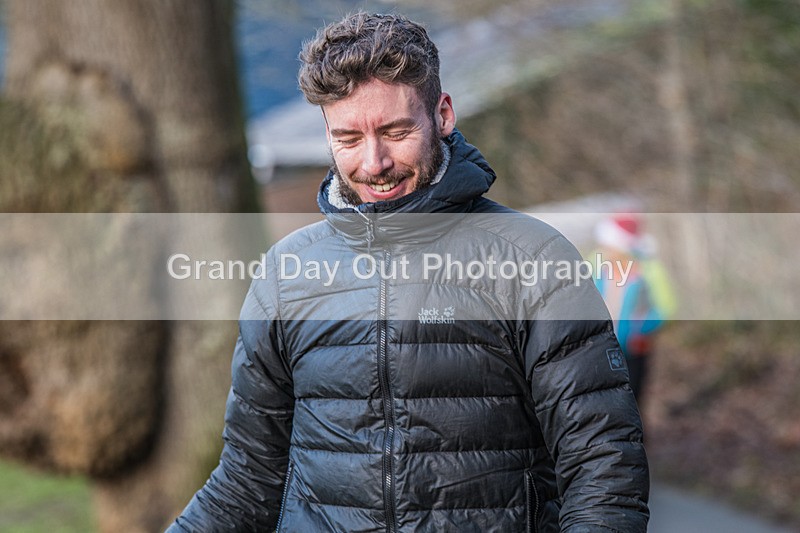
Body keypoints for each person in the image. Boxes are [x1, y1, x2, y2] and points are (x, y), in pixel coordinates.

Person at [168, 12, 649, 532]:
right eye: (348, 138)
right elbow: (247, 480)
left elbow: (603, 471)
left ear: (442, 114)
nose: (373, 163)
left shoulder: (535, 262)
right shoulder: (286, 276)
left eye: (395, 131)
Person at [591, 213, 677, 402]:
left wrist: (638, 331)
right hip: (601, 347)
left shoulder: (648, 269)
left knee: (632, 400)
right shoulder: (597, 267)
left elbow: (665, 308)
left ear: (622, 245)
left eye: (608, 245)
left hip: (634, 348)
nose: (604, 249)